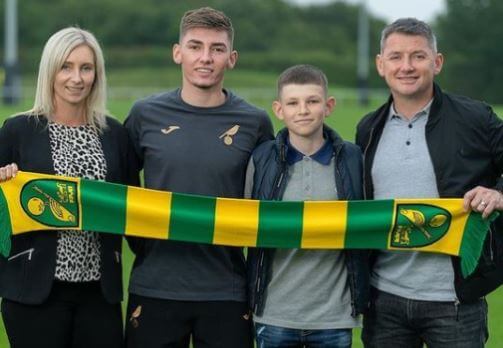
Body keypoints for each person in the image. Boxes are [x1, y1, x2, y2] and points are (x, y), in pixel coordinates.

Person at [123, 7, 274, 348]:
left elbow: (267, 202)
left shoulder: (255, 122)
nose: (205, 58)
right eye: (195, 46)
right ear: (178, 53)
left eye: (217, 49)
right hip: (155, 285)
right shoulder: (144, 114)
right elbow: (122, 191)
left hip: (227, 289)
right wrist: (147, 245)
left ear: (231, 58)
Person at [355, 18, 503, 347]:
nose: (406, 67)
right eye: (395, 57)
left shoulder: (476, 118)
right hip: (384, 301)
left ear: (437, 63)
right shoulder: (367, 129)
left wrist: (499, 193)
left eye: (418, 56)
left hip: (455, 304)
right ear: (381, 65)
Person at [0, 27, 139, 348]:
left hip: (99, 292)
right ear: (50, 70)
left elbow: (132, 206)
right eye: (66, 66)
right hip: (34, 292)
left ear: (96, 74)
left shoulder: (115, 135)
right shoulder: (18, 130)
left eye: (86, 68)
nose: (76, 78)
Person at [245, 64, 369, 348]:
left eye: (312, 101)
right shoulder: (261, 160)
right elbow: (242, 223)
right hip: (274, 314)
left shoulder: (353, 159)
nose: (303, 110)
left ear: (328, 106)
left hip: (334, 317)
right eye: (293, 103)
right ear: (279, 109)